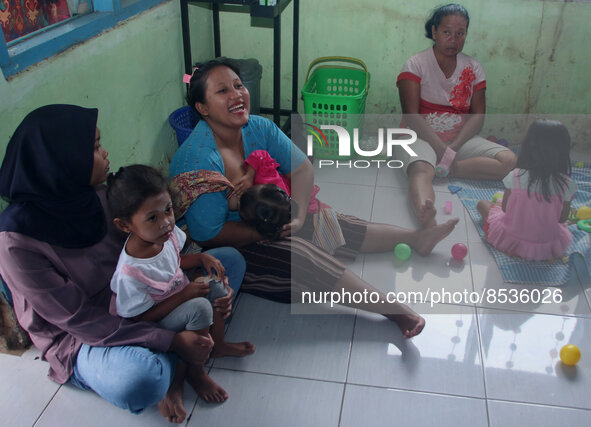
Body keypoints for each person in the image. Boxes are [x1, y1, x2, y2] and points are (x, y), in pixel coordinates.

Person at [170, 58, 461, 339]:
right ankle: (394, 311)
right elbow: (208, 234)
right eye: (222, 91)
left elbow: (302, 168)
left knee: (328, 221)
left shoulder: (257, 127)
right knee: (301, 256)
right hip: (229, 244)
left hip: (269, 217)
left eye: (238, 85)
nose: (237, 95)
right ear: (202, 107)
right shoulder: (198, 161)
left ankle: (415, 238)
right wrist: (272, 232)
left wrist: (296, 216)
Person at [0, 105, 246, 424]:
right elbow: (80, 320)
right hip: (83, 335)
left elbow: (148, 256)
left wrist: (189, 281)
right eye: (94, 148)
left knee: (229, 263)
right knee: (140, 380)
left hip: (141, 298)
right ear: (60, 162)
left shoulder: (97, 198)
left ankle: (184, 352)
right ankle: (182, 356)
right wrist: (170, 338)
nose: (105, 153)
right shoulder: (17, 242)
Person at [107, 164, 255, 408]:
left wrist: (200, 258)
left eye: (168, 210)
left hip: (177, 298)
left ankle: (216, 345)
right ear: (125, 226)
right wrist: (185, 294)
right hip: (157, 321)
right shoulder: (130, 272)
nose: (166, 222)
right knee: (199, 307)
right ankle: (195, 372)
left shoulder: (163, 235)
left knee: (216, 286)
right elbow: (138, 320)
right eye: (153, 218)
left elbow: (174, 263)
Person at [395, 3, 516, 228]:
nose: (454, 39)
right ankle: (426, 216)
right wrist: (441, 149)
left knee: (509, 161)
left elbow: (478, 116)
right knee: (421, 170)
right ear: (434, 32)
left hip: (459, 140)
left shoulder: (473, 67)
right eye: (447, 32)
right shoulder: (415, 64)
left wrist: (452, 150)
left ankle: (453, 169)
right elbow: (412, 115)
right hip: (419, 137)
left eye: (460, 33)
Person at [476, 119, 577, 261]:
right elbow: (562, 218)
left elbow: (505, 208)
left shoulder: (516, 175)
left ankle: (515, 247)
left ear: (528, 147)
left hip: (511, 238)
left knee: (482, 204)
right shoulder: (567, 184)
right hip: (545, 244)